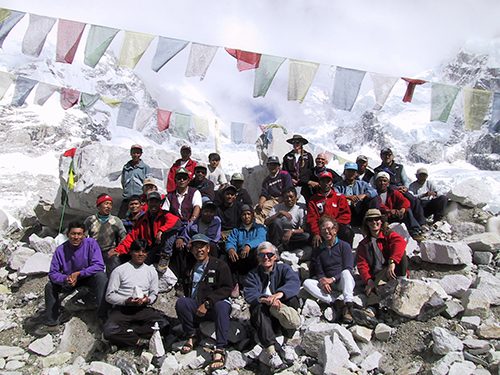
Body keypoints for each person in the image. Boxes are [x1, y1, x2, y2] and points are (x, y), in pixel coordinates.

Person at [175, 234, 232, 372]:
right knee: (181, 303)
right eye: (195, 247)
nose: (199, 250)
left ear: (208, 248)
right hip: (196, 305)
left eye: (202, 247)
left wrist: (207, 303)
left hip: (215, 306)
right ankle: (192, 335)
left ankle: (220, 348)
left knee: (222, 305)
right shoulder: (190, 266)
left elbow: (226, 289)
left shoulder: (219, 265)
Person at [243, 242, 301, 371]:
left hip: (280, 314)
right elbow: (250, 293)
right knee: (257, 307)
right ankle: (271, 353)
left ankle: (288, 343)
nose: (266, 257)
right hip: (263, 317)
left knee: (292, 299)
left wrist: (279, 294)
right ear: (257, 257)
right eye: (262, 255)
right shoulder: (253, 275)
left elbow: (294, 282)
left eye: (269, 254)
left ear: (275, 256)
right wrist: (265, 299)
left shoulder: (284, 269)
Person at [41, 221, 107, 332]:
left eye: (79, 234)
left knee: (101, 277)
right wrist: (65, 279)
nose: (76, 237)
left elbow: (99, 265)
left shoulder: (91, 244)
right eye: (73, 234)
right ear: (68, 234)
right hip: (70, 279)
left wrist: (79, 273)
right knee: (50, 286)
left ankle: (104, 317)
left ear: (84, 235)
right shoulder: (60, 250)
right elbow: (53, 273)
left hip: (88, 276)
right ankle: (52, 322)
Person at [103, 239, 169, 348]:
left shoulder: (151, 271)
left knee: (164, 325)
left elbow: (154, 293)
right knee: (109, 331)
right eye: (137, 251)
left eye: (143, 252)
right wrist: (126, 301)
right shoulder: (119, 270)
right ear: (131, 252)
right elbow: (109, 296)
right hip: (123, 309)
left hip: (142, 308)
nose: (140, 254)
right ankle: (138, 341)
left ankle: (128, 333)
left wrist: (147, 300)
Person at [355, 209, 408, 324]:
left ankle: (402, 281)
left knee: (402, 253)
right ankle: (372, 310)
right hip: (378, 273)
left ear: (381, 221)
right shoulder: (363, 245)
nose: (374, 222)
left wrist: (392, 262)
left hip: (393, 269)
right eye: (370, 220)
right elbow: (362, 264)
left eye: (377, 219)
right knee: (374, 285)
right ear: (367, 223)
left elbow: (400, 243)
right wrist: (368, 280)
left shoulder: (388, 234)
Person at [303, 216, 355, 323]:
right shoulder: (319, 250)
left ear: (335, 230)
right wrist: (323, 280)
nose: (327, 232)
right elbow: (319, 271)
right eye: (323, 229)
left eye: (329, 228)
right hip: (329, 284)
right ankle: (335, 302)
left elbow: (349, 267)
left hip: (342, 281)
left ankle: (348, 304)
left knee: (346, 272)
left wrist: (333, 279)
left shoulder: (344, 246)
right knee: (306, 283)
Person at [112, 192, 181, 268]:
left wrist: (161, 230)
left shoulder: (165, 215)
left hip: (164, 246)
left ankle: (165, 256)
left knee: (172, 231)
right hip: (151, 248)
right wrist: (118, 250)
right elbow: (132, 237)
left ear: (160, 203)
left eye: (156, 202)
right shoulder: (142, 219)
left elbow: (176, 221)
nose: (153, 204)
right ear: (147, 203)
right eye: (151, 202)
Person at [373, 148, 426, 225]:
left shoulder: (399, 167)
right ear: (381, 156)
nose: (387, 157)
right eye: (384, 155)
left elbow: (406, 180)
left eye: (389, 155)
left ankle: (421, 222)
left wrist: (405, 187)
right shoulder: (377, 170)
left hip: (401, 189)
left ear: (392, 156)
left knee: (414, 200)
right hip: (388, 190)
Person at [225, 205, 267, 293]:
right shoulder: (237, 230)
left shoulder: (259, 228)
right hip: (240, 255)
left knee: (257, 253)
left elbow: (261, 238)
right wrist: (231, 249)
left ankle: (257, 283)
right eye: (244, 214)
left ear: (252, 215)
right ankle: (235, 284)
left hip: (252, 256)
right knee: (227, 257)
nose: (246, 216)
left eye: (249, 214)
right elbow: (230, 241)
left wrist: (248, 246)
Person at [307, 171, 354, 247]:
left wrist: (334, 227)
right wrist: (316, 233)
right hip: (321, 229)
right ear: (319, 182)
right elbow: (312, 218)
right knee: (314, 240)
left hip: (337, 227)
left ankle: (347, 253)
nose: (325, 183)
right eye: (323, 181)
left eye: (328, 181)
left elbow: (346, 215)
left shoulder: (340, 197)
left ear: (331, 182)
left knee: (348, 232)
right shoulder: (313, 200)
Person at [373, 171, 423, 241]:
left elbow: (405, 201)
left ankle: (415, 232)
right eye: (380, 181)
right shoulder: (373, 193)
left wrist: (403, 209)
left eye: (384, 181)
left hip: (393, 215)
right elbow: (376, 205)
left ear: (388, 183)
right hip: (381, 216)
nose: (382, 183)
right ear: (376, 182)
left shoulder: (393, 192)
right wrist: (389, 211)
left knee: (407, 211)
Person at [84, 194, 127, 274]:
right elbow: (83, 237)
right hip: (94, 251)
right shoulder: (90, 220)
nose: (109, 206)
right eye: (106, 203)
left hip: (110, 251)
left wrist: (117, 250)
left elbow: (124, 237)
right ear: (99, 206)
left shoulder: (116, 221)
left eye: (110, 204)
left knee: (114, 267)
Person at [265, 187, 310, 257]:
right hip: (277, 235)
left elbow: (303, 229)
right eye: (286, 197)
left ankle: (284, 248)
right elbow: (266, 222)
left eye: (291, 197)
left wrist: (292, 231)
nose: (289, 199)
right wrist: (279, 214)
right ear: (283, 198)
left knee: (306, 236)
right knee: (276, 221)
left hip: (291, 236)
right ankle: (276, 249)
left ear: (295, 198)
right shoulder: (277, 207)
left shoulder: (300, 210)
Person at [334, 162, 378, 226]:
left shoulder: (362, 184)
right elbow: (335, 194)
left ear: (356, 173)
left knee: (373, 199)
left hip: (360, 210)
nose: (350, 174)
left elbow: (374, 192)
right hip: (345, 211)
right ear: (344, 172)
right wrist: (348, 197)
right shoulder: (338, 185)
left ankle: (371, 221)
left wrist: (364, 195)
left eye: (353, 171)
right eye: (348, 171)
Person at [255, 156, 293, 224]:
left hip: (284, 198)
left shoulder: (285, 174)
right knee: (257, 209)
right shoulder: (266, 180)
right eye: (271, 164)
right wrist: (260, 203)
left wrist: (282, 198)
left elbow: (289, 189)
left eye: (274, 164)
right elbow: (264, 194)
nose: (272, 167)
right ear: (267, 166)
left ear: (278, 166)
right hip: (272, 201)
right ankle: (261, 226)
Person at [119, 144, 151, 218]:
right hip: (127, 198)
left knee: (139, 218)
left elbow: (148, 183)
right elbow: (123, 181)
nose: (136, 155)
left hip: (139, 198)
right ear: (131, 153)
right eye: (134, 152)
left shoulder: (145, 168)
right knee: (122, 218)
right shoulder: (126, 167)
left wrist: (145, 197)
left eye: (138, 153)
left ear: (141, 154)